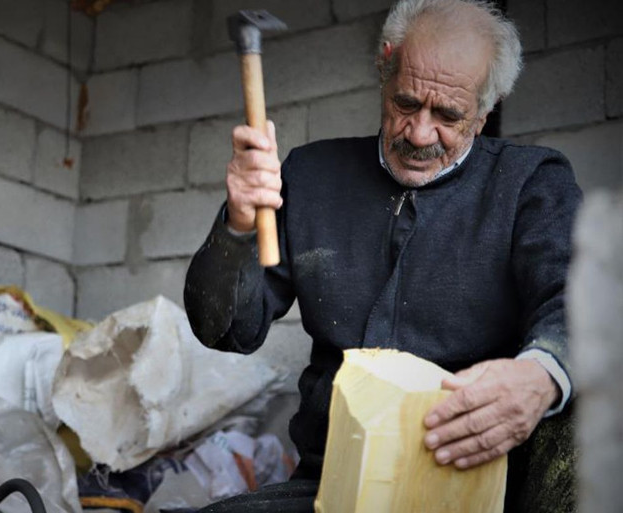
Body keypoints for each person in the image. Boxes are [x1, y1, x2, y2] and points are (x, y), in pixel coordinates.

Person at [184, 0, 580, 509]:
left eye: (448, 116)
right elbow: (224, 330)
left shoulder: (530, 183)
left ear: (484, 113)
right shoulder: (309, 175)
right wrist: (238, 223)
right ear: (384, 65)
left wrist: (543, 374)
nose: (419, 134)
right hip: (329, 487)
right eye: (407, 103)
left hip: (471, 492)